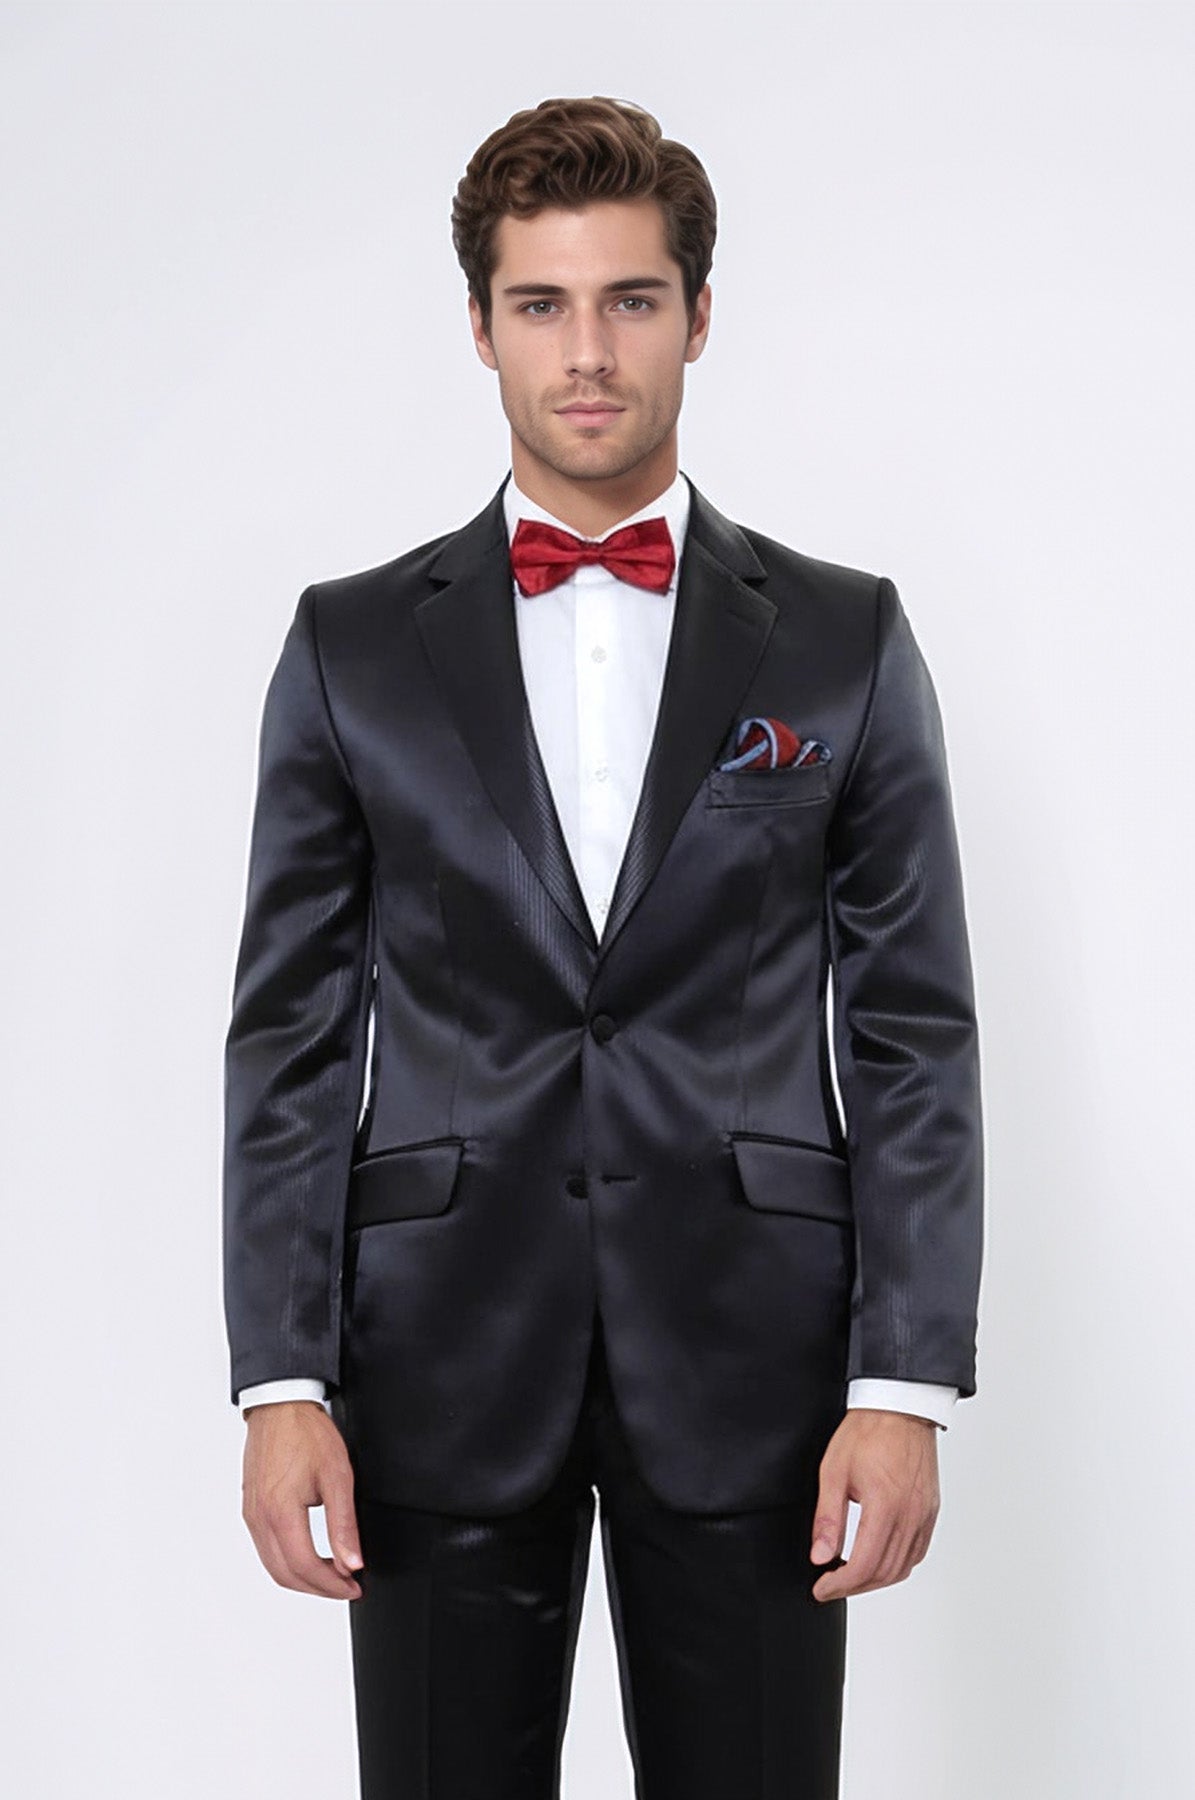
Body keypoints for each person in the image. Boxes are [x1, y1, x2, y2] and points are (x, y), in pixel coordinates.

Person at [222, 94, 984, 1800]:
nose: (587, 352)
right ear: (480, 326)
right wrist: (280, 1379)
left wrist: (902, 1381)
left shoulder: (842, 641)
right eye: (542, 304)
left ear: (698, 317)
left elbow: (912, 1030)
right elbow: (290, 1036)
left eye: (631, 300)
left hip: (757, 1368)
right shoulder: (351, 648)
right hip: (435, 1357)